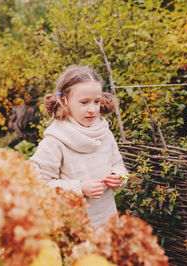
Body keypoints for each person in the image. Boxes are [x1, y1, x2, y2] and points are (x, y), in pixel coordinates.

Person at [30, 65, 128, 228]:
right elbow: (37, 185)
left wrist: (118, 177)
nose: (92, 109)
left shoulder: (104, 133)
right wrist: (80, 188)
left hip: (107, 225)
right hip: (73, 229)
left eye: (96, 102)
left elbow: (119, 165)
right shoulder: (55, 141)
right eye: (84, 102)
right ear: (64, 101)